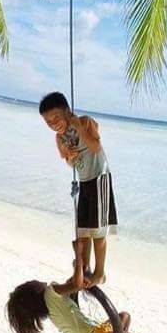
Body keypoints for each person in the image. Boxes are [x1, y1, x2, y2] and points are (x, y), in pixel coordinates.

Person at [6, 241, 163, 333]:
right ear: (33, 290)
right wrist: (78, 254)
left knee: (124, 317)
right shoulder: (51, 292)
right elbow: (76, 284)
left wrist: (79, 268)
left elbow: (72, 284)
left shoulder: (51, 306)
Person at [39, 91, 117, 286]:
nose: (54, 124)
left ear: (67, 111)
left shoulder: (85, 122)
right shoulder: (59, 139)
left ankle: (99, 273)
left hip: (99, 177)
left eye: (56, 117)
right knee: (83, 230)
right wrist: (71, 158)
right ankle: (84, 267)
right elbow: (69, 162)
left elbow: (96, 146)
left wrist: (78, 126)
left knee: (97, 231)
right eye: (48, 122)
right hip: (83, 181)